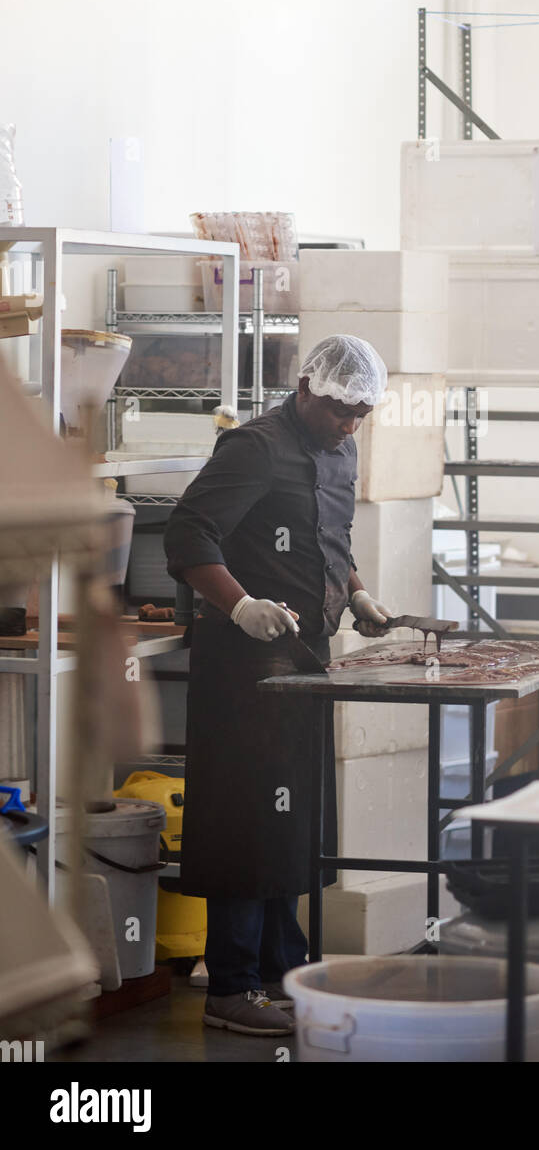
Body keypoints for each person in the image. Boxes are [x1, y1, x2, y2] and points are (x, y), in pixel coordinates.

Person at [164, 334, 393, 1035]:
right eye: (336, 410)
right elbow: (187, 534)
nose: (348, 424)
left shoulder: (341, 448)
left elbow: (331, 536)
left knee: (290, 823)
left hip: (306, 659)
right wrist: (239, 605)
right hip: (246, 668)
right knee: (244, 820)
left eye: (360, 413)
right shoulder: (255, 447)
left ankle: (278, 973)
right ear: (305, 389)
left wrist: (354, 593)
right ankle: (230, 986)